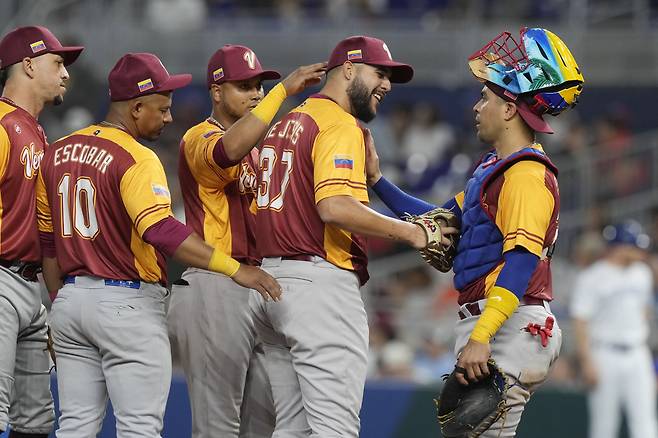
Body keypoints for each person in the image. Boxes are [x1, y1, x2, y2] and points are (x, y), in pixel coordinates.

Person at [35, 52, 281, 438]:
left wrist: (58, 301)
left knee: (75, 427)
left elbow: (48, 244)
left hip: (70, 301)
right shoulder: (136, 156)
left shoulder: (57, 151)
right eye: (162, 109)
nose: (168, 118)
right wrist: (236, 268)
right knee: (140, 428)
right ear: (135, 107)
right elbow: (161, 231)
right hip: (125, 302)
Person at [365, 27, 585, 436]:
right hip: (495, 322)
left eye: (486, 96)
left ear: (508, 110)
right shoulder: (494, 169)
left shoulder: (525, 174)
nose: (476, 106)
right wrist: (377, 181)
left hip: (508, 323)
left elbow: (521, 263)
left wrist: (482, 337)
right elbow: (441, 219)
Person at [249, 35, 455, 437]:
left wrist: (376, 179)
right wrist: (411, 233)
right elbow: (335, 206)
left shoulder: (286, 123)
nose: (387, 84)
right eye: (379, 72)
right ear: (348, 69)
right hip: (318, 288)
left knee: (292, 428)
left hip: (271, 285)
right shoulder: (340, 123)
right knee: (335, 428)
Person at [167, 44, 326, 438]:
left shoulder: (257, 151)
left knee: (265, 422)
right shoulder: (198, 137)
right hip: (214, 282)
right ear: (217, 91)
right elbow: (228, 149)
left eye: (259, 85)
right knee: (218, 425)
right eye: (244, 85)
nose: (255, 92)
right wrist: (282, 91)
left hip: (254, 283)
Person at [0, 25, 83, 438]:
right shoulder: (1, 124)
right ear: (28, 65)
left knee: (35, 421)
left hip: (31, 286)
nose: (66, 72)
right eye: (58, 62)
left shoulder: (33, 129)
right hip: (0, 278)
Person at [571, 221, 658, 438]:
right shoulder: (592, 277)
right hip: (604, 354)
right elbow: (580, 321)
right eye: (634, 247)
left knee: (645, 423)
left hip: (637, 352)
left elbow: (644, 311)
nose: (639, 252)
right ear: (618, 247)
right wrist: (587, 361)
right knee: (604, 426)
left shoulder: (642, 273)